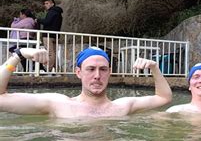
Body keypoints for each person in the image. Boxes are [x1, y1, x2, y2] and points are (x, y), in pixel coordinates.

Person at [0, 47, 172, 118]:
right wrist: (18, 55)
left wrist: (154, 68)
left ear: (109, 73)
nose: (97, 75)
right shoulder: (58, 104)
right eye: (90, 69)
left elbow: (164, 98)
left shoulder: (123, 106)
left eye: (103, 69)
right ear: (78, 73)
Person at [36, 0, 63, 71]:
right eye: (45, 4)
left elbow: (47, 22)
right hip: (55, 35)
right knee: (53, 53)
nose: (45, 5)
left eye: (47, 3)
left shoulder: (52, 12)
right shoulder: (58, 13)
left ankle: (48, 69)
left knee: (50, 53)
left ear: (52, 4)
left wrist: (38, 20)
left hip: (48, 35)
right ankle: (58, 70)